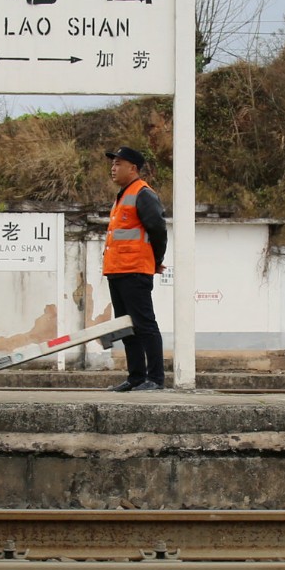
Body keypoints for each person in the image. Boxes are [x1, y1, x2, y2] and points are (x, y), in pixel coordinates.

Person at [101, 145, 168, 391]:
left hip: (135, 270)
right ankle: (136, 377)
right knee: (126, 327)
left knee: (145, 325)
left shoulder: (143, 193)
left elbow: (158, 229)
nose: (113, 167)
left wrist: (155, 260)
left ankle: (155, 379)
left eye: (118, 163)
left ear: (133, 168)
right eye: (113, 163)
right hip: (117, 271)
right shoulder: (122, 195)